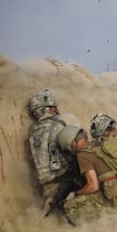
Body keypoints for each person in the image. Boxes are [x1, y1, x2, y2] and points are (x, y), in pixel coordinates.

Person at [57, 124, 117, 224]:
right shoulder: (100, 144)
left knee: (70, 206)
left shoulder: (82, 155)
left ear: (72, 143)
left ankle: (103, 221)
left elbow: (93, 186)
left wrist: (76, 193)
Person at [28, 89, 85, 217]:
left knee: (49, 213)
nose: (55, 110)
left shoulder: (33, 131)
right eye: (53, 107)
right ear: (47, 109)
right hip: (64, 178)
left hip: (45, 183)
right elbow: (77, 149)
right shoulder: (58, 125)